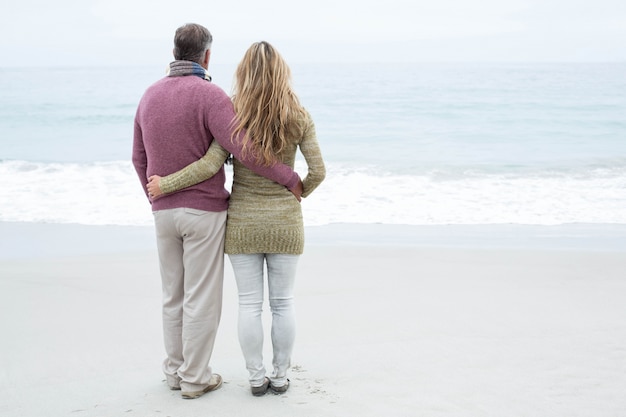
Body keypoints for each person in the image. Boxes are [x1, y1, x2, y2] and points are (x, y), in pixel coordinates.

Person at [132, 24, 303, 400]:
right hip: (204, 212)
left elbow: (138, 157)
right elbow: (244, 149)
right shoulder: (210, 96)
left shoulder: (148, 96)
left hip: (163, 212)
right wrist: (289, 176)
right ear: (207, 56)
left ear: (175, 51)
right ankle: (195, 379)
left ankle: (174, 371)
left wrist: (155, 197)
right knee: (201, 298)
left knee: (171, 295)